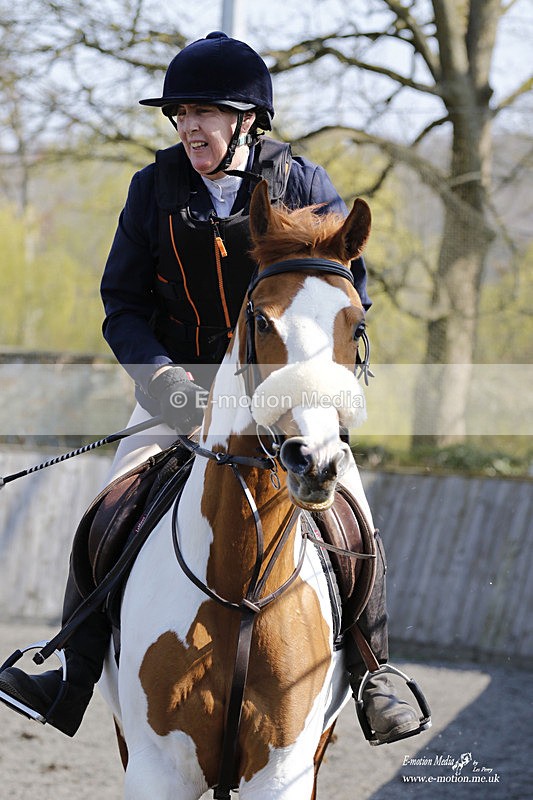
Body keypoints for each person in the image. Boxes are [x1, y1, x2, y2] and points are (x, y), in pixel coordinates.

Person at [0, 31, 421, 745]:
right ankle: (69, 674)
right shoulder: (152, 188)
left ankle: (374, 674)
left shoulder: (303, 186)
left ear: (246, 120)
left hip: (287, 387)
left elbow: (344, 292)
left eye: (203, 112)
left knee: (349, 510)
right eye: (179, 114)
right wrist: (164, 382)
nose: (187, 126)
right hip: (182, 384)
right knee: (110, 506)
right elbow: (123, 305)